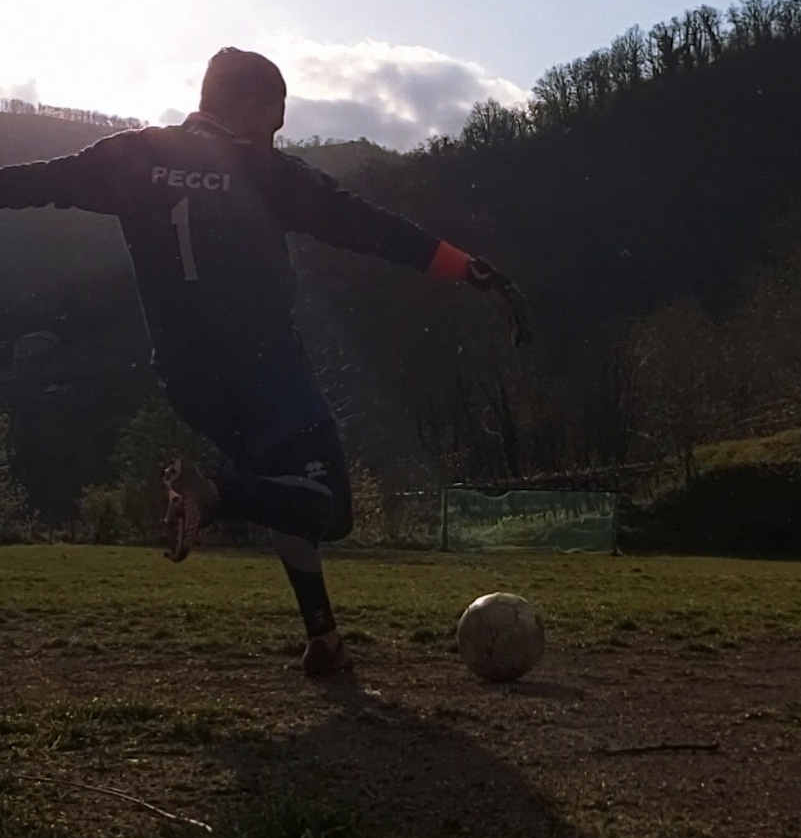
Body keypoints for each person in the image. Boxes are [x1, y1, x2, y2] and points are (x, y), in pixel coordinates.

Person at [0, 48, 529, 677]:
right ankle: (214, 496)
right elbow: (368, 227)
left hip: (186, 377)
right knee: (328, 506)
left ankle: (324, 639)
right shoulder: (264, 172)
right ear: (252, 107)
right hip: (264, 366)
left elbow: (32, 183)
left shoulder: (131, 157)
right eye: (274, 122)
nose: (275, 136)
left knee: (284, 490)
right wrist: (470, 270)